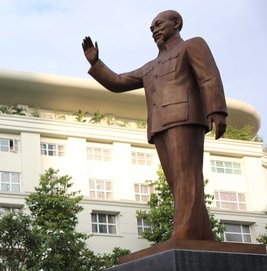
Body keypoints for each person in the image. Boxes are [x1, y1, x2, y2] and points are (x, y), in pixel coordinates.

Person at [82, 10, 227, 241]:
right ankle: (201, 234)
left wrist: (217, 110)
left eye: (159, 25)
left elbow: (208, 77)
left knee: (187, 177)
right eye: (151, 29)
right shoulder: (150, 66)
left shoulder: (192, 45)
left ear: (176, 23)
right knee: (177, 184)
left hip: (185, 118)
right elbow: (119, 81)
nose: (155, 31)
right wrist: (96, 63)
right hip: (159, 126)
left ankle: (184, 233)